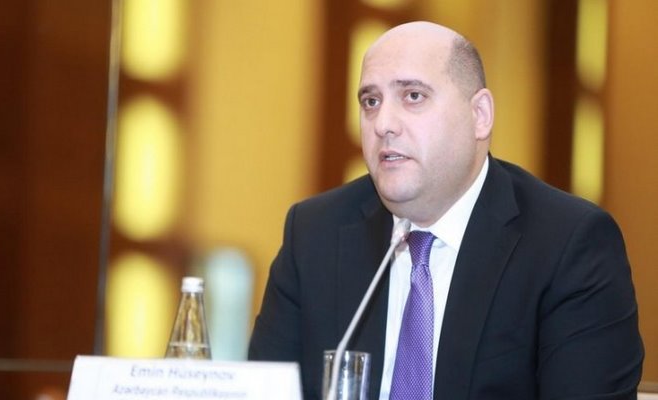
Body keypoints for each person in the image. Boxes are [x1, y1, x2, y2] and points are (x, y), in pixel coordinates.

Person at [248, 21, 644, 400]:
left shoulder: (568, 245)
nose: (383, 123)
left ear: (479, 116)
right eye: (371, 101)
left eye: (413, 96)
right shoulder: (314, 234)